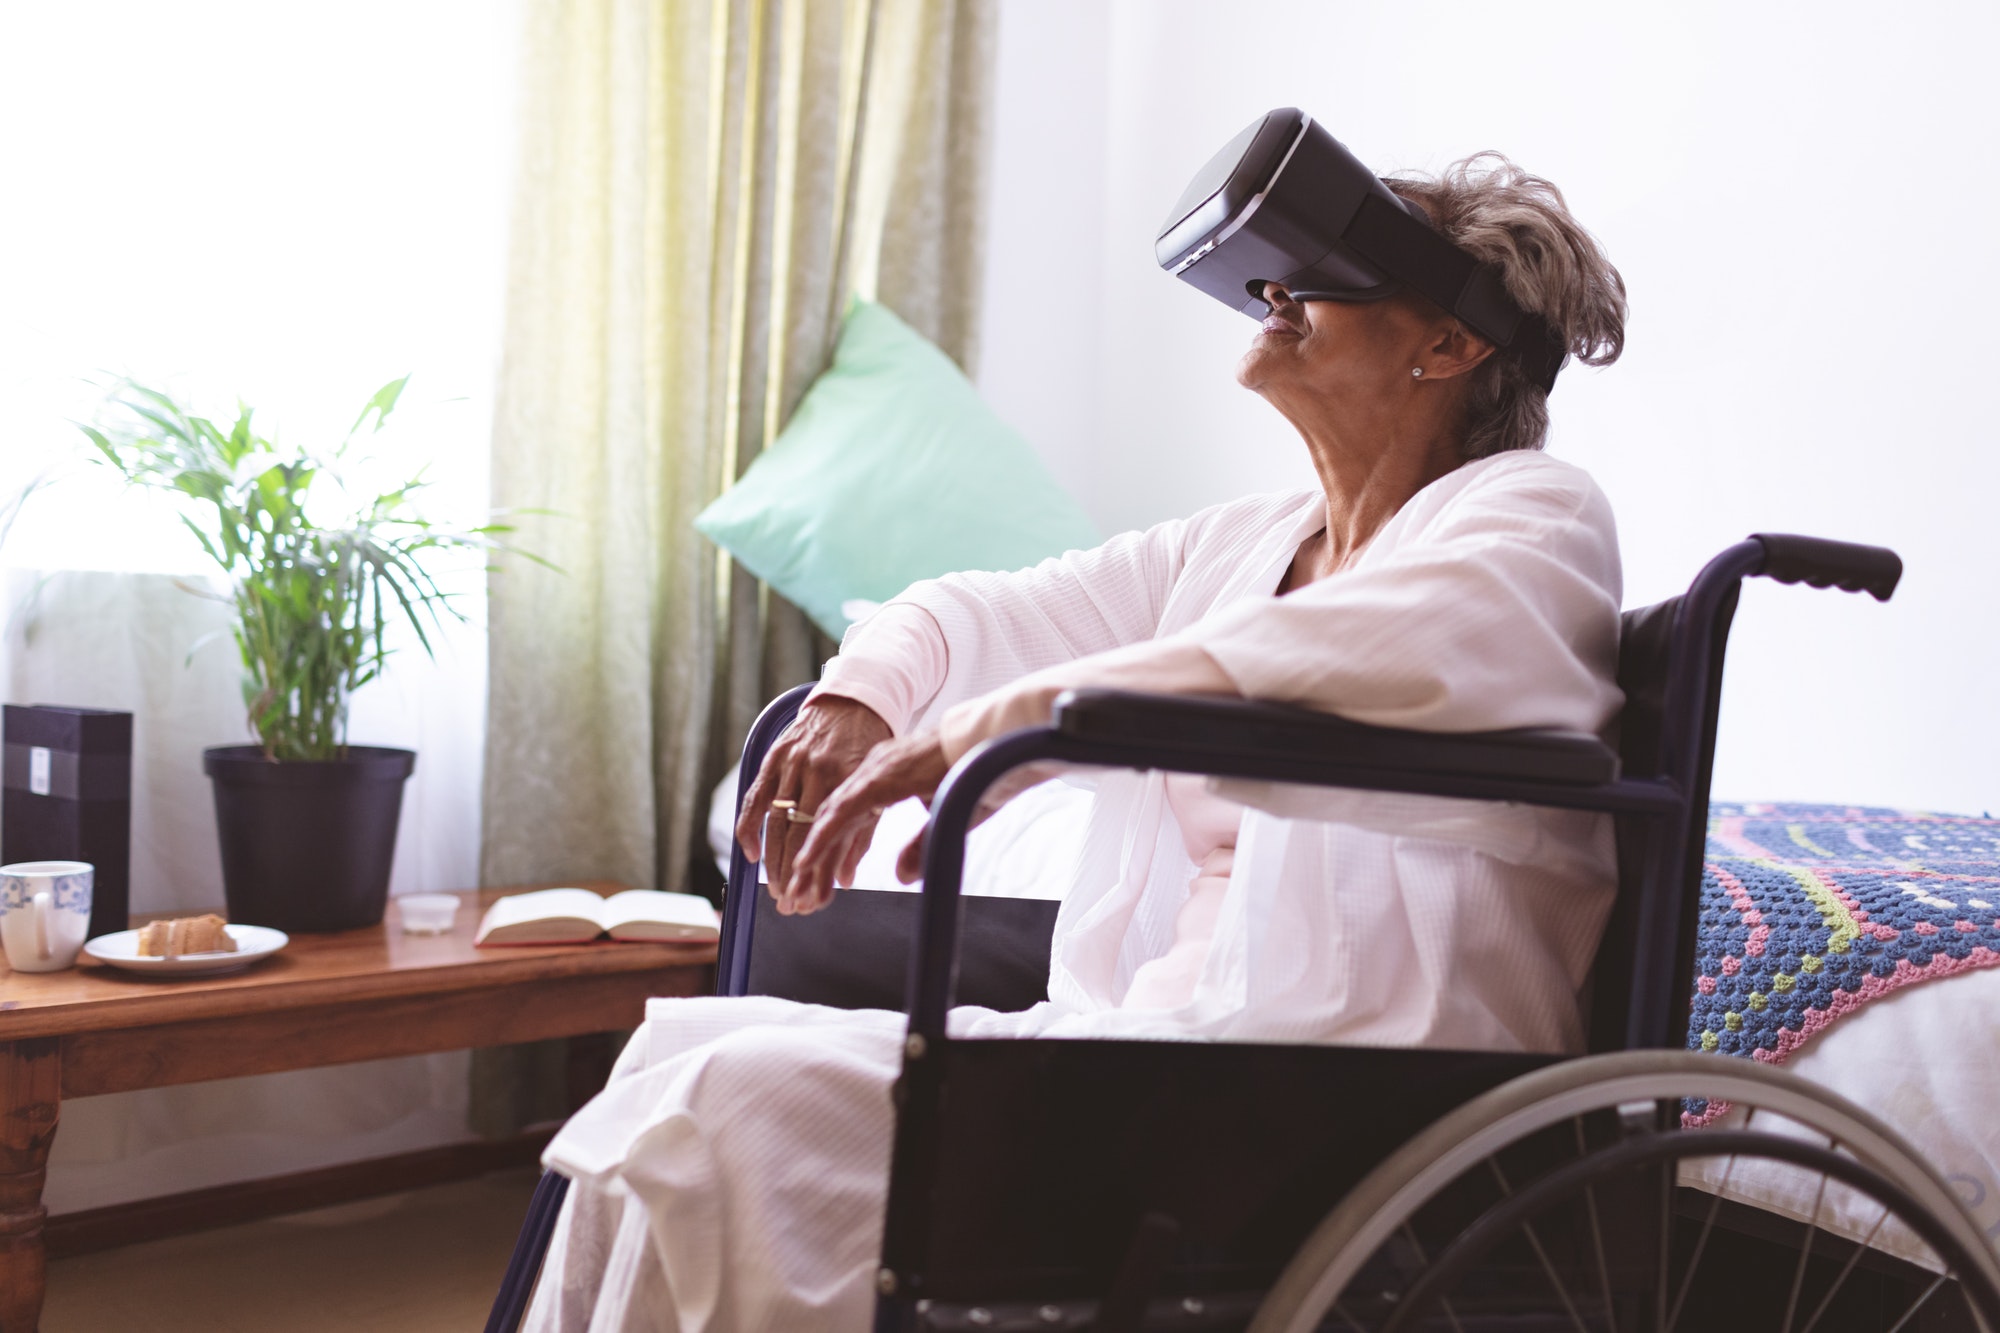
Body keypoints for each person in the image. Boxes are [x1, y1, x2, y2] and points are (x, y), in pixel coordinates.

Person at [525, 152, 1629, 1332]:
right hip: (1152, 1052)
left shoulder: (1526, 512)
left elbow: (1368, 650)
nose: (1272, 297)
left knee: (726, 1104)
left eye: (1325, 279)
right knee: (670, 1069)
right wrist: (864, 696)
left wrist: (1004, 725)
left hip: (1342, 1085)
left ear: (1449, 346)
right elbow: (983, 607)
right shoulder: (1241, 545)